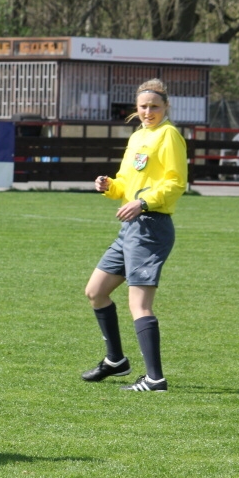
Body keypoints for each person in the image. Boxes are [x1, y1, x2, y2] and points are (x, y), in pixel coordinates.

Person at [81, 78, 186, 392]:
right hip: (131, 227)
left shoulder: (169, 136)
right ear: (136, 109)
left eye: (155, 106)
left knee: (139, 304)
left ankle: (155, 379)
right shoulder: (139, 136)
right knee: (95, 291)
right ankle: (116, 361)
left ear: (166, 107)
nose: (148, 112)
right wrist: (109, 186)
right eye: (143, 106)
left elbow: (176, 183)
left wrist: (143, 202)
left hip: (152, 226)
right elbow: (126, 183)